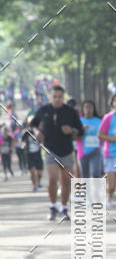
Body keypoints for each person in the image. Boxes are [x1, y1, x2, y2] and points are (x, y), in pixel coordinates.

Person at [30, 84, 83, 221]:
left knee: (66, 181)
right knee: (52, 178)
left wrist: (71, 130)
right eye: (55, 97)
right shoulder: (44, 110)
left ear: (63, 97)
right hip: (50, 150)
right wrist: (37, 132)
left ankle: (64, 208)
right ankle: (53, 206)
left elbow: (80, 130)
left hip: (66, 151)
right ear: (50, 97)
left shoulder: (70, 111)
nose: (57, 99)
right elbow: (33, 124)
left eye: (60, 97)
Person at [78, 100, 104, 178]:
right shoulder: (79, 121)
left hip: (96, 150)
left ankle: (98, 190)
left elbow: (104, 134)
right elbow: (74, 136)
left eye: (90, 107)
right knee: (84, 176)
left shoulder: (99, 121)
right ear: (83, 109)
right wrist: (82, 130)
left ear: (94, 109)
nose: (88, 109)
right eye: (86, 107)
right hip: (82, 151)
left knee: (96, 172)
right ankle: (86, 190)